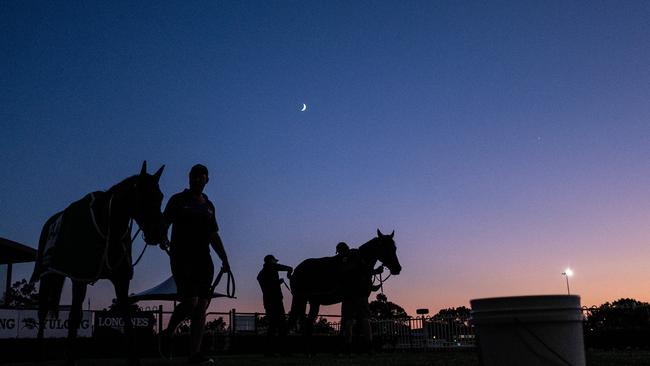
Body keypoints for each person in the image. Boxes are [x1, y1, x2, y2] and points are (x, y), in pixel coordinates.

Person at [160, 164, 230, 364]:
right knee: (191, 301)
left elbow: (213, 234)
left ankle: (194, 354)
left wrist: (224, 258)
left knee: (202, 306)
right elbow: (164, 224)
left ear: (207, 180)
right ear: (189, 178)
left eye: (201, 177)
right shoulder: (177, 200)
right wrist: (163, 237)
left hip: (204, 260)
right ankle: (168, 333)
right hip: (181, 257)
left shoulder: (209, 206)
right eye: (194, 176)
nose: (197, 180)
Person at [257, 254, 293, 356]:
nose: (276, 263)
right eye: (274, 261)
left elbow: (266, 287)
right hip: (275, 300)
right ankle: (282, 350)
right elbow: (270, 286)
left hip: (268, 301)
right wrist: (279, 282)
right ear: (271, 261)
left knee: (272, 326)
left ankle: (270, 351)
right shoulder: (271, 269)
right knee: (281, 325)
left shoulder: (261, 274)